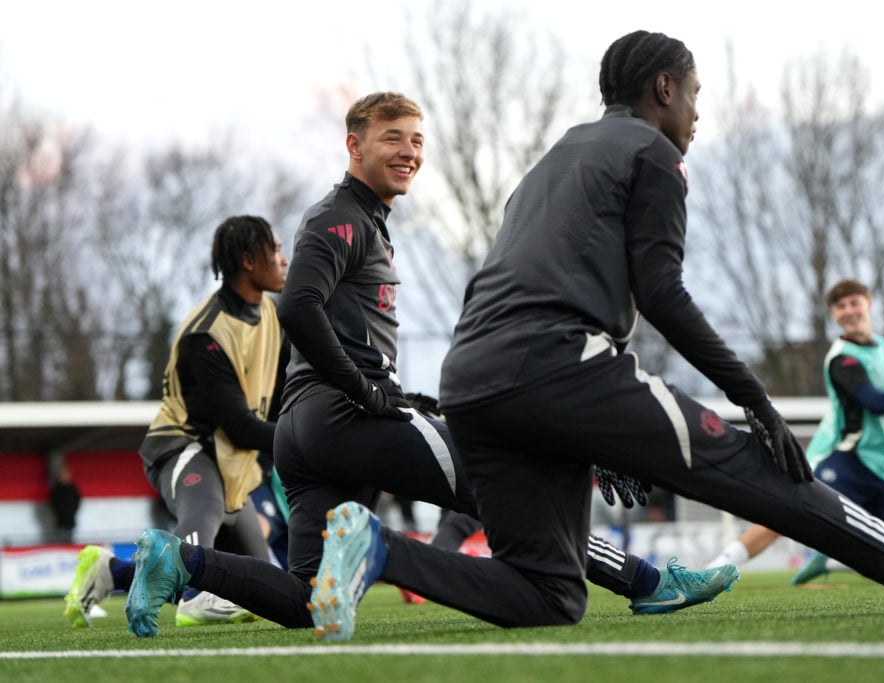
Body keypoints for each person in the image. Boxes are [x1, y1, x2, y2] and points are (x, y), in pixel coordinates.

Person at [260, 31, 884, 642]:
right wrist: (754, 398)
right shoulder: (654, 155)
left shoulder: (550, 162)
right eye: (695, 94)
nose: (698, 115)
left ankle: (383, 551)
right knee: (759, 466)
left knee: (549, 589)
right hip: (559, 365)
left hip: (476, 376)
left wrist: (591, 423)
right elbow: (662, 293)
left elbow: (508, 284)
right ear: (664, 90)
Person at [120, 91, 738, 639]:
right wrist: (366, 391)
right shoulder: (340, 216)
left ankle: (181, 563)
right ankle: (650, 582)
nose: (409, 151)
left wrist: (384, 393)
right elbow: (301, 307)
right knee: (524, 492)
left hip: (311, 433)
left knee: (309, 600)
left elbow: (324, 323)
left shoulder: (366, 222)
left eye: (417, 140)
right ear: (353, 145)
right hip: (344, 419)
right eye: (392, 137)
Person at [63, 215, 289, 628]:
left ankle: (109, 572)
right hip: (184, 448)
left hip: (234, 461)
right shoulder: (205, 335)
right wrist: (307, 443)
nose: (284, 258)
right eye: (275, 249)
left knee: (265, 590)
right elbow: (238, 426)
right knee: (204, 512)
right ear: (248, 261)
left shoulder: (273, 316)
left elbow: (275, 406)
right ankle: (194, 595)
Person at [705, 279, 884, 583]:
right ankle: (716, 569)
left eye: (854, 303)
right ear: (833, 314)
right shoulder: (842, 359)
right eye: (841, 306)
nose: (849, 310)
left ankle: (828, 563)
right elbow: (877, 403)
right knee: (785, 511)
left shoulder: (883, 347)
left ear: (868, 304)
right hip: (849, 459)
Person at [50, 464, 81, 543]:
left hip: (70, 519)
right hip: (60, 520)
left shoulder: (73, 489)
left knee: (70, 539)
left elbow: (77, 501)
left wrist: (71, 511)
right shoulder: (57, 490)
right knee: (61, 540)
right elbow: (53, 503)